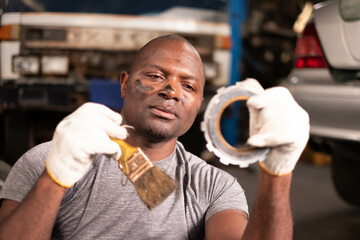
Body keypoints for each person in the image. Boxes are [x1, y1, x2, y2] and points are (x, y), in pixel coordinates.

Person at [0, 35, 309, 239]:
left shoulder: (213, 186)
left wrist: (277, 174)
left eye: (188, 87)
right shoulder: (48, 160)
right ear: (124, 84)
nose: (171, 91)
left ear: (199, 104)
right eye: (155, 76)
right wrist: (54, 179)